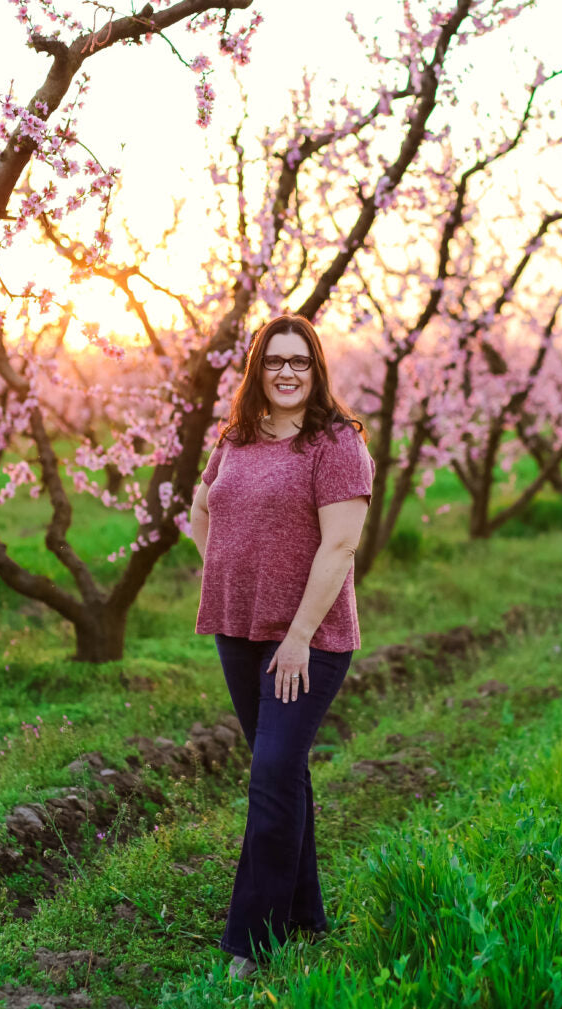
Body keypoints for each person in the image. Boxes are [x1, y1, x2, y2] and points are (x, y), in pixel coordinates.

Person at [190, 314, 375, 980]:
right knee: (283, 770)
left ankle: (250, 943)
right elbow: (200, 508)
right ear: (258, 370)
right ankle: (306, 914)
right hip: (240, 634)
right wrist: (229, 573)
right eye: (275, 361)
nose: (287, 371)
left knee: (270, 776)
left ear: (315, 368)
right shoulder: (236, 437)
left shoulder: (335, 443)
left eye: (299, 360)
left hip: (310, 639)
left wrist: (297, 635)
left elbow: (341, 544)